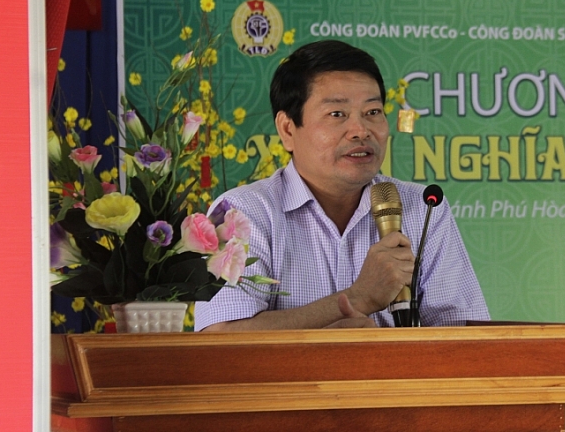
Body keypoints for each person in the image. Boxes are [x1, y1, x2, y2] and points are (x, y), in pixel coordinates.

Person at [195, 40, 489, 331]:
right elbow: (220, 336)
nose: (361, 130)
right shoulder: (238, 212)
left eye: (372, 112)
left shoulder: (423, 207)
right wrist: (357, 299)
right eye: (337, 114)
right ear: (287, 129)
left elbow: (466, 337)